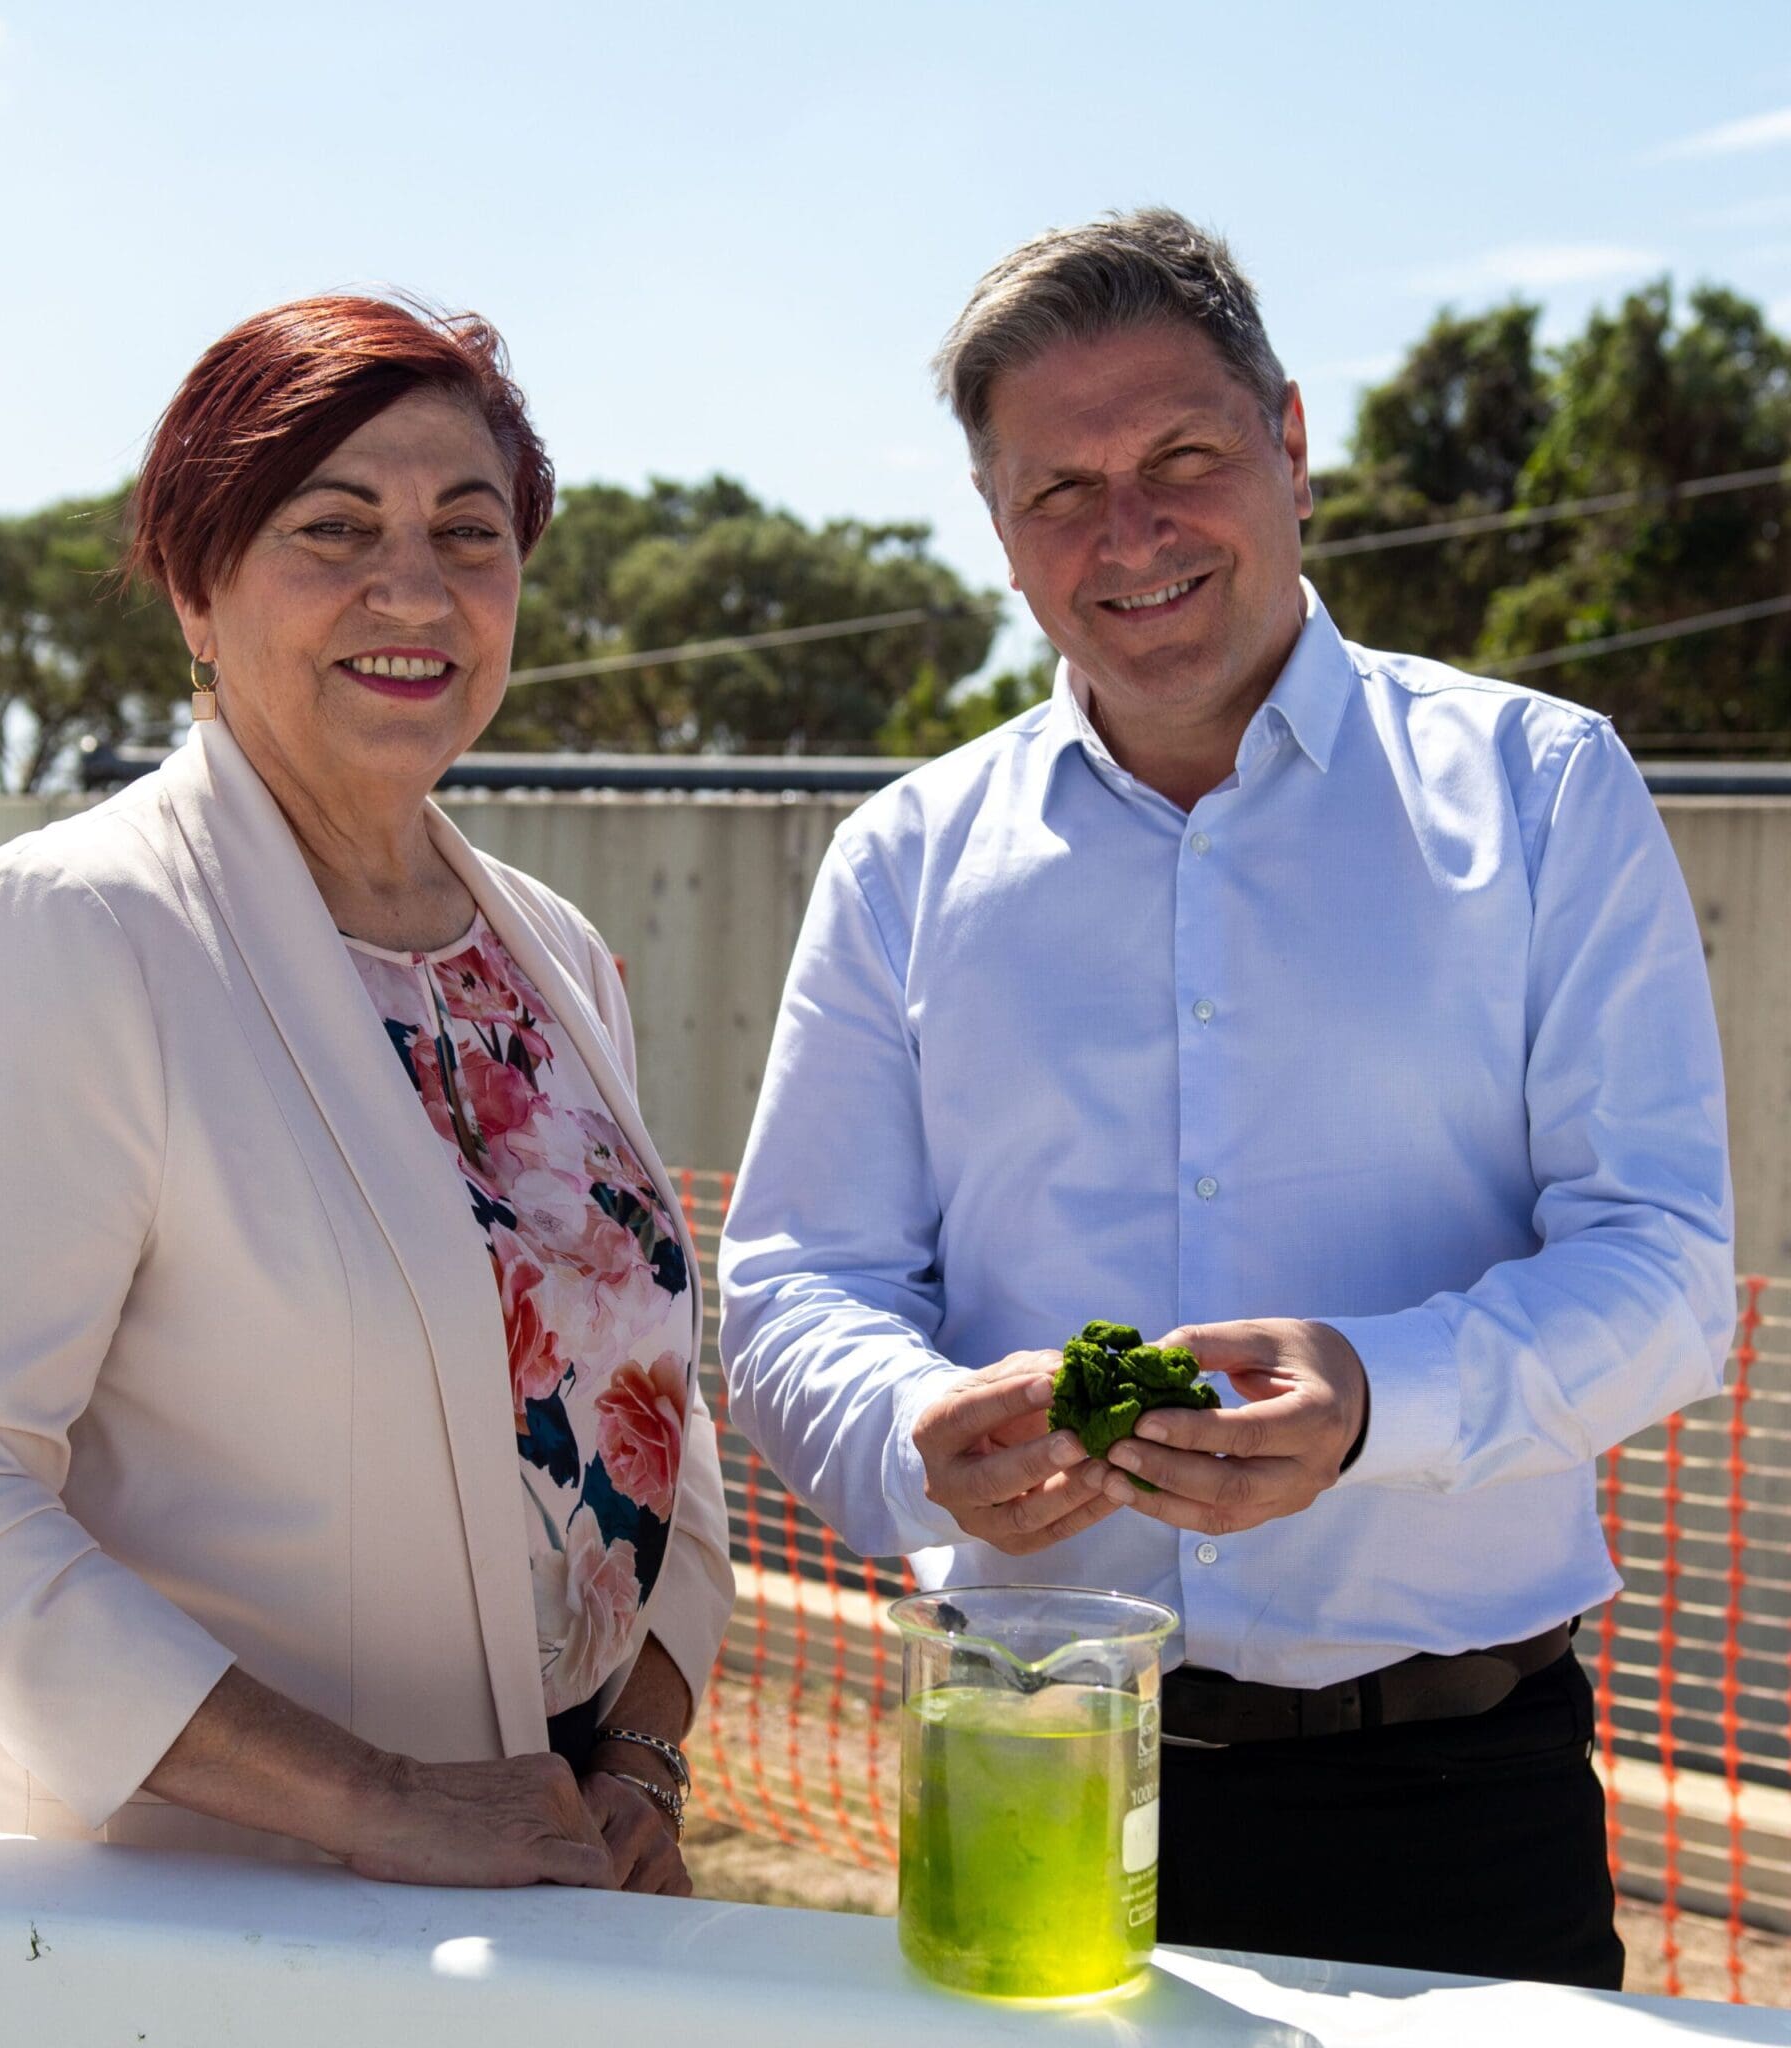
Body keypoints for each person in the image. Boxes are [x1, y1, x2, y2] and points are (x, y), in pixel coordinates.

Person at [719, 210, 1733, 1984]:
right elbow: (797, 1281)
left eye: (1183, 456)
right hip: (1026, 1760)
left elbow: (1663, 1275)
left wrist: (1373, 1402)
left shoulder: (1543, 790)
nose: (1131, 532)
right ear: (1002, 535)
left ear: (1291, 448)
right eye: (1061, 490)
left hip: (1456, 1802)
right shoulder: (902, 862)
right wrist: (913, 1435)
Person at [0, 294, 733, 1896]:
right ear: (195, 584)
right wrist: (386, 1801)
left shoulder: (558, 960)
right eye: (333, 526)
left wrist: (636, 1755)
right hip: (157, 1919)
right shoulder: (78, 933)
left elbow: (638, 1394)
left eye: (472, 530)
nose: (415, 587)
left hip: (537, 1886)